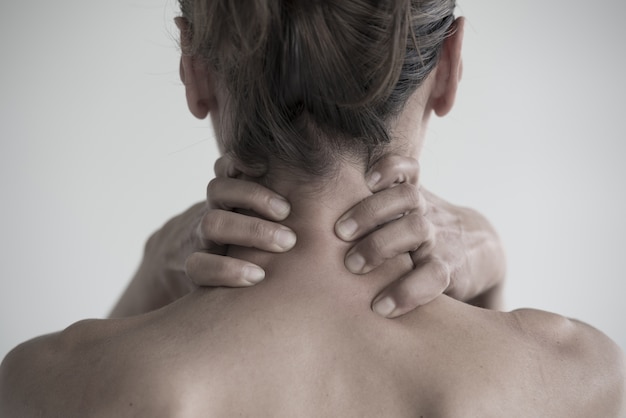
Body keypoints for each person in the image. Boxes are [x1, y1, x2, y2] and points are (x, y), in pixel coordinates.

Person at [1, 0, 624, 416]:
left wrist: (151, 272)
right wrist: (490, 260)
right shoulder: (581, 377)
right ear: (449, 66)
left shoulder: (42, 383)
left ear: (194, 68)